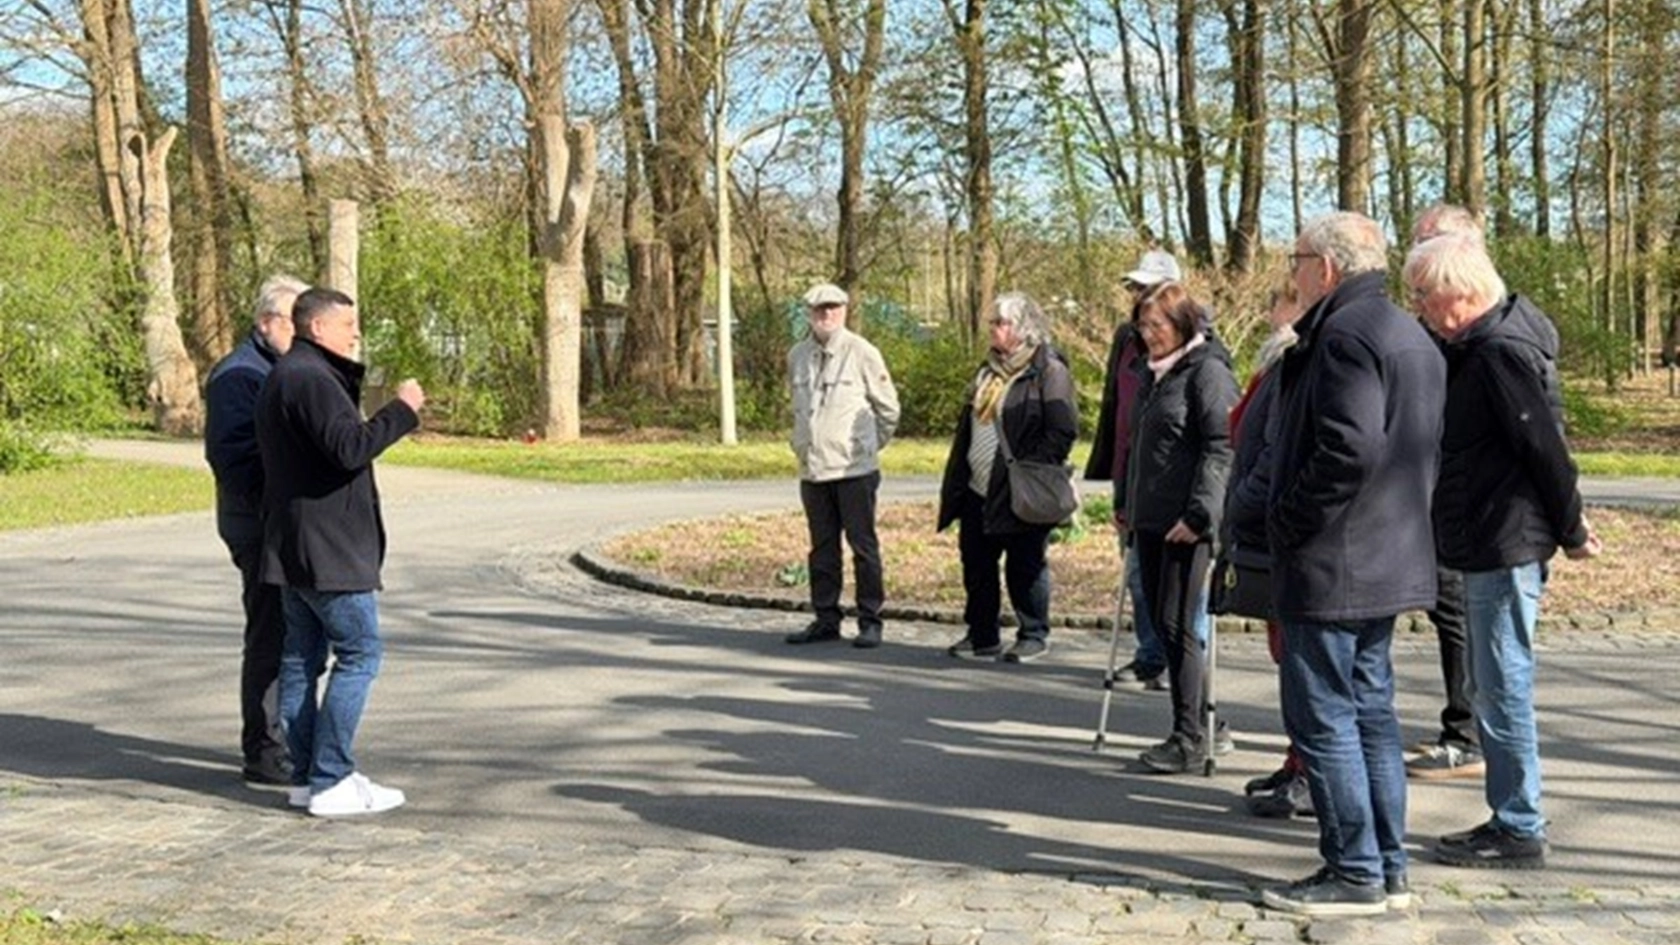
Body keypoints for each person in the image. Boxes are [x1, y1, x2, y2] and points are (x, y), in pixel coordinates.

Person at [1259, 212, 1445, 916]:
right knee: (1371, 714)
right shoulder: (1406, 332)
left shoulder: (1341, 336)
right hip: (1386, 555)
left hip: (1335, 559)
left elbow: (1347, 448)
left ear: (1327, 268)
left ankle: (1354, 868)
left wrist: (1288, 519)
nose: (1293, 271)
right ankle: (1387, 865)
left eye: (1298, 258)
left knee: (1326, 716)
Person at [1404, 233, 1601, 869]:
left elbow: (1544, 447)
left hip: (1504, 536)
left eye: (1424, 296)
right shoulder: (1480, 344)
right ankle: (1512, 816)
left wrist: (1571, 530)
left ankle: (1518, 825)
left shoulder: (1498, 353)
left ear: (1460, 295)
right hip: (1490, 531)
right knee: (1496, 681)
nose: (1420, 309)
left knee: (1501, 685)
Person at [256, 287, 426, 817]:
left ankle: (309, 777)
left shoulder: (289, 374)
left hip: (297, 548)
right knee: (358, 656)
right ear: (317, 328)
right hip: (329, 551)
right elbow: (349, 448)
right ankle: (332, 777)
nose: (355, 333)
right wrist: (402, 410)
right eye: (347, 324)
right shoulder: (310, 378)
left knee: (301, 661)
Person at [1118, 282, 1236, 773]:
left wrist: (1200, 515)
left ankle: (1190, 736)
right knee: (1166, 628)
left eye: (1157, 326)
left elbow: (1222, 446)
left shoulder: (1205, 372)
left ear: (1184, 323)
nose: (1148, 336)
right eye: (1142, 327)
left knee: (1177, 625)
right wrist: (1125, 502)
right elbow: (1140, 445)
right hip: (1149, 519)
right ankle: (1206, 723)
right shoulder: (1154, 374)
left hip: (1185, 524)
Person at [204, 275, 305, 786]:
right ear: (267, 322)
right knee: (271, 633)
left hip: (281, 524)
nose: (304, 329)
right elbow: (233, 459)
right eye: (295, 319)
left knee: (293, 632)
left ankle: (284, 739)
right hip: (258, 526)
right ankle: (264, 749)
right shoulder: (239, 376)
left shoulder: (280, 368)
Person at [938, 292, 1077, 663]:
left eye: (1001, 323)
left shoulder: (1048, 370)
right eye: (993, 322)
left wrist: (1029, 468)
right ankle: (982, 635)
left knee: (1025, 563)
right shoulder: (987, 370)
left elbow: (1062, 431)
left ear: (1023, 328)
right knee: (977, 563)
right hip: (977, 485)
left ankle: (1033, 632)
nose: (994, 329)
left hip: (1020, 488)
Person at [1405, 203, 1488, 782]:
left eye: (1426, 246)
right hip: (1440, 491)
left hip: (1468, 502)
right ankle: (1462, 724)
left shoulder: (1481, 332)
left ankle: (1468, 734)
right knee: (1450, 612)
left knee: (1460, 613)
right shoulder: (1443, 329)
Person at [1225, 283, 1312, 816]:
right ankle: (1295, 758)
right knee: (1286, 655)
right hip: (1263, 527)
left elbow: (1274, 450)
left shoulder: (1294, 365)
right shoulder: (1276, 364)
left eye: (1281, 302)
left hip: (1278, 526)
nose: (1268, 312)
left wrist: (1246, 505)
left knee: (1306, 662)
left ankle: (1308, 769)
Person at [784, 282, 901, 649]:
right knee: (821, 549)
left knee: (863, 546)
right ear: (808, 313)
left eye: (833, 307)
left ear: (845, 310)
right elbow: (797, 406)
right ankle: (825, 617)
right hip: (814, 469)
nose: (826, 315)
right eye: (819, 309)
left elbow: (888, 409)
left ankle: (870, 619)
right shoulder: (797, 355)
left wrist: (866, 447)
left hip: (854, 470)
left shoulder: (862, 352)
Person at [1085, 249, 1181, 689]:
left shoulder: (1192, 344)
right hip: (1131, 467)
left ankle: (1181, 663)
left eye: (1147, 289)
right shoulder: (1127, 339)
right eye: (1135, 288)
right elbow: (1115, 402)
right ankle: (1151, 654)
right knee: (1138, 572)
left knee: (1173, 584)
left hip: (1171, 480)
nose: (1138, 297)